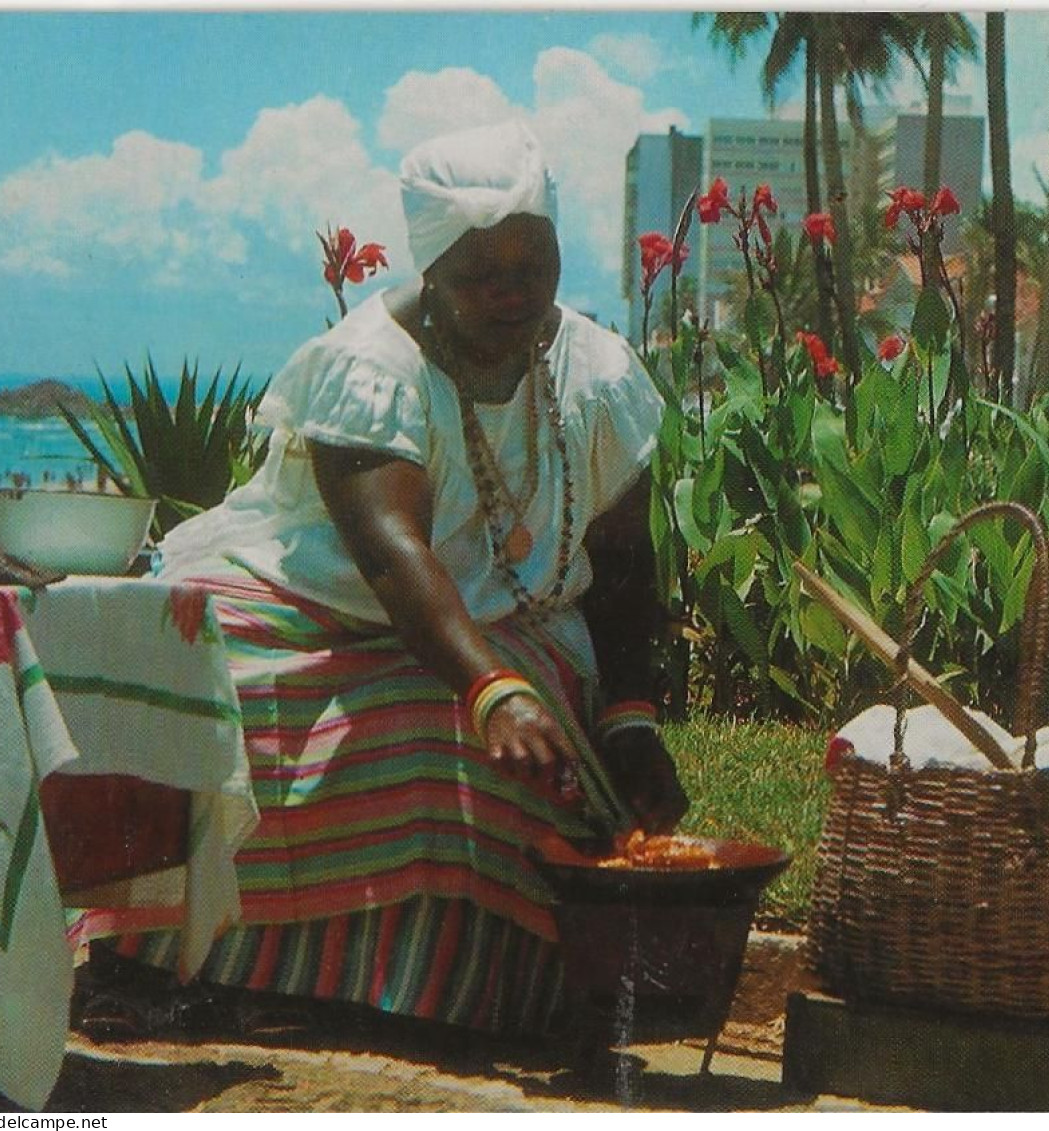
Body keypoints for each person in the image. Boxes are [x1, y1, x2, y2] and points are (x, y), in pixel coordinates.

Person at [91, 121, 687, 1038]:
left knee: (454, 730)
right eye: (481, 275)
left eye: (533, 267)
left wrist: (631, 715)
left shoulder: (597, 377)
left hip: (507, 618)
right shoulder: (369, 367)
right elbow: (390, 554)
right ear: (432, 273)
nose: (513, 293)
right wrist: (490, 688)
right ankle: (178, 967)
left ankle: (448, 1000)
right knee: (206, 680)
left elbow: (624, 565)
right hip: (311, 595)